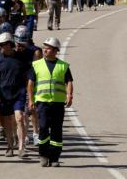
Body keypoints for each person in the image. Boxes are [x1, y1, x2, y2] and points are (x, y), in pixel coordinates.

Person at [27, 37, 74, 167]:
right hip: (42, 102)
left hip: (58, 103)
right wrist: (30, 100)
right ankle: (43, 155)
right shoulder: (36, 65)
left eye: (47, 48)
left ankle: (54, 157)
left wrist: (69, 95)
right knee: (43, 128)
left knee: (56, 130)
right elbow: (30, 84)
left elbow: (69, 81)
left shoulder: (63, 66)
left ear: (55, 50)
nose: (44, 50)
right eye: (44, 48)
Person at [0, 32, 29, 158]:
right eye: (0, 45)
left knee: (19, 118)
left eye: (2, 45)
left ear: (9, 44)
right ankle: (9, 145)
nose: (1, 47)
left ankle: (21, 147)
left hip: (19, 92)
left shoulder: (21, 57)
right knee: (7, 120)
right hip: (4, 94)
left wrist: (30, 93)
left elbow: (29, 77)